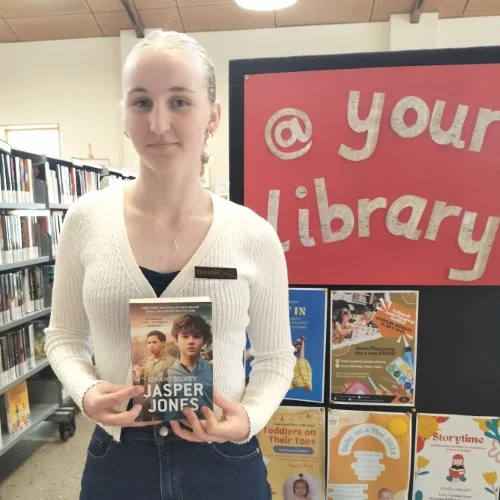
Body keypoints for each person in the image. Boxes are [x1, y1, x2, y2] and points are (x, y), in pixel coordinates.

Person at [44, 29, 295, 500]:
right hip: (118, 459)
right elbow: (63, 336)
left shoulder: (253, 235)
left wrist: (250, 418)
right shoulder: (86, 221)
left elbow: (277, 358)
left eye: (179, 102)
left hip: (221, 457)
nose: (158, 123)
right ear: (123, 115)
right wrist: (85, 391)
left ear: (212, 116)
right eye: (141, 102)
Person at [162, 314, 214, 419]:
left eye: (196, 336)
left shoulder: (213, 372)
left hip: (208, 431)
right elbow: (157, 414)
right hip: (172, 431)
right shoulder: (165, 374)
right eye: (185, 336)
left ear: (204, 341)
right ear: (176, 340)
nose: (190, 341)